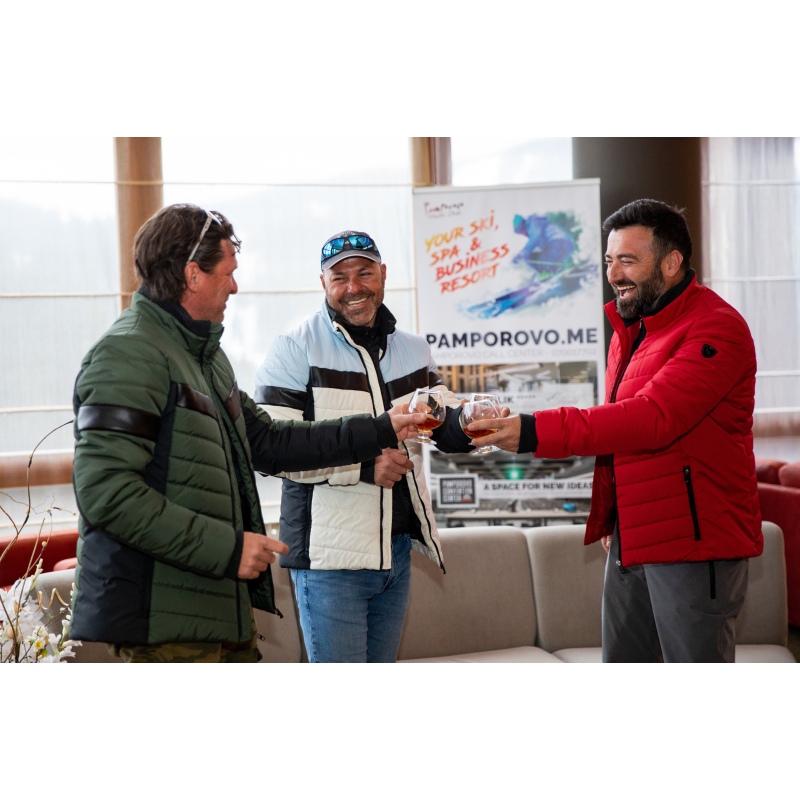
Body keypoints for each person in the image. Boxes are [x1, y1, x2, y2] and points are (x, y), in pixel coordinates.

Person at [69, 207, 424, 663]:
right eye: (228, 273)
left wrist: (380, 427)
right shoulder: (127, 353)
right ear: (192, 274)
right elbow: (107, 495)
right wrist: (229, 549)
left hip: (215, 603)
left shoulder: (205, 357)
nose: (234, 287)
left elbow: (271, 442)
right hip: (160, 617)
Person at [467, 199, 762, 663]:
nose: (614, 274)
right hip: (632, 535)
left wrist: (530, 430)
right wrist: (613, 515)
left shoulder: (716, 329)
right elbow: (619, 431)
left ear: (671, 262)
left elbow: (651, 418)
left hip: (694, 543)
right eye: (609, 260)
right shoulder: (635, 330)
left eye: (628, 260)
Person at [254, 230, 478, 662]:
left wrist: (472, 422)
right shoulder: (293, 349)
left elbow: (443, 423)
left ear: (384, 275)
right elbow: (268, 450)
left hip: (397, 552)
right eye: (339, 277)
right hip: (329, 562)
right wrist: (361, 468)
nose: (353, 287)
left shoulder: (414, 349)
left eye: (364, 273)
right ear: (323, 283)